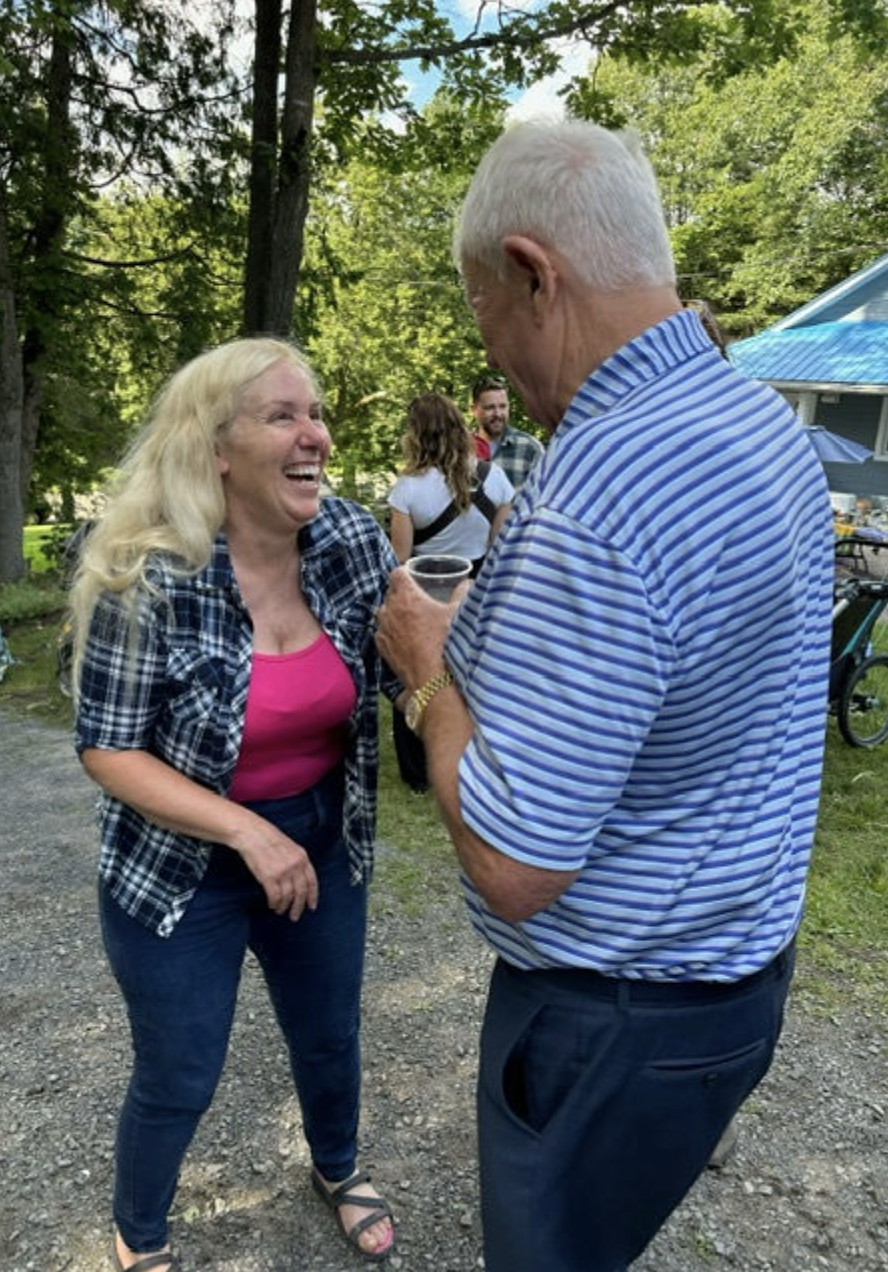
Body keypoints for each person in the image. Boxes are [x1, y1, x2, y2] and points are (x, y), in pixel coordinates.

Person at [375, 117, 833, 1272]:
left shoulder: (599, 492)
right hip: (733, 971)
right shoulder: (761, 424)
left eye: (482, 309)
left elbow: (515, 866)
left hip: (610, 1018)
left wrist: (426, 674)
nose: (490, 354)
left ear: (533, 273)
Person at [70, 337, 398, 1272]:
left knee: (329, 1034)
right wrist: (245, 830)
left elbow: (412, 664)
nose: (315, 436)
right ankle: (140, 1235)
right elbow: (108, 748)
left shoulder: (349, 542)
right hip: (181, 863)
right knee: (179, 1068)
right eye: (283, 416)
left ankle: (337, 1167)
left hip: (320, 839)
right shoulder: (146, 573)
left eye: (316, 414)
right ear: (215, 447)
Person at [387, 391, 513, 792]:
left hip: (424, 587)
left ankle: (418, 771)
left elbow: (399, 558)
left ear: (416, 434)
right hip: (476, 586)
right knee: (473, 677)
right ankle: (474, 758)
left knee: (416, 673)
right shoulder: (495, 478)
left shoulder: (407, 488)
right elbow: (499, 547)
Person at [470, 372, 543, 489]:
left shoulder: (530, 448)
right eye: (490, 407)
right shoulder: (460, 449)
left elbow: (546, 493)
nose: (498, 414)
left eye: (502, 406)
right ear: (474, 410)